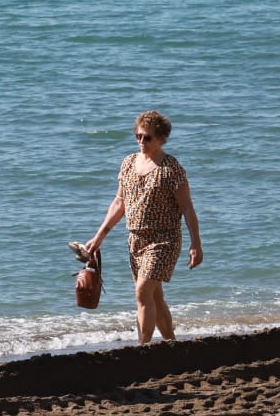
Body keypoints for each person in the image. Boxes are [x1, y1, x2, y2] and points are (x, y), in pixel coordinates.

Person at [80, 110, 204, 343]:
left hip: (164, 241)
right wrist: (99, 236)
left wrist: (196, 243)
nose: (141, 142)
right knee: (154, 297)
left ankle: (143, 349)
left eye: (147, 138)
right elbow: (120, 202)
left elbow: (187, 208)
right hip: (136, 240)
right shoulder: (128, 163)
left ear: (161, 138)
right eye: (138, 136)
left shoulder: (171, 168)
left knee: (142, 292)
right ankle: (171, 344)